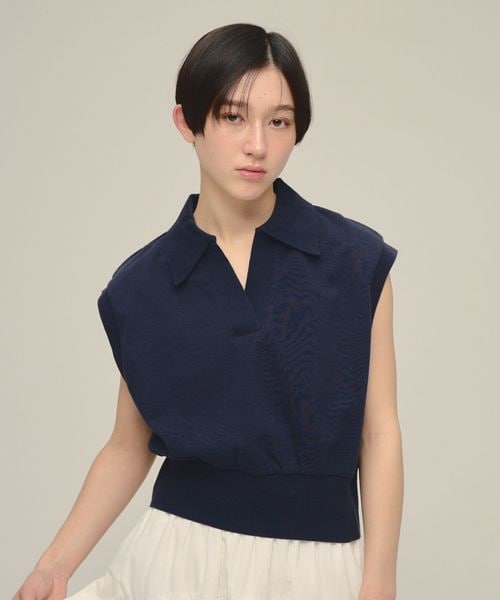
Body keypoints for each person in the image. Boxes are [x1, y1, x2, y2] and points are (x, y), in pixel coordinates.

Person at [12, 22, 403, 600]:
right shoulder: (143, 285)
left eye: (279, 121)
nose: (257, 145)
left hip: (316, 565)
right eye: (232, 116)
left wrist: (379, 581)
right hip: (176, 557)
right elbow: (128, 445)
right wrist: (53, 566)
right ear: (187, 122)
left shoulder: (354, 260)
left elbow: (379, 432)